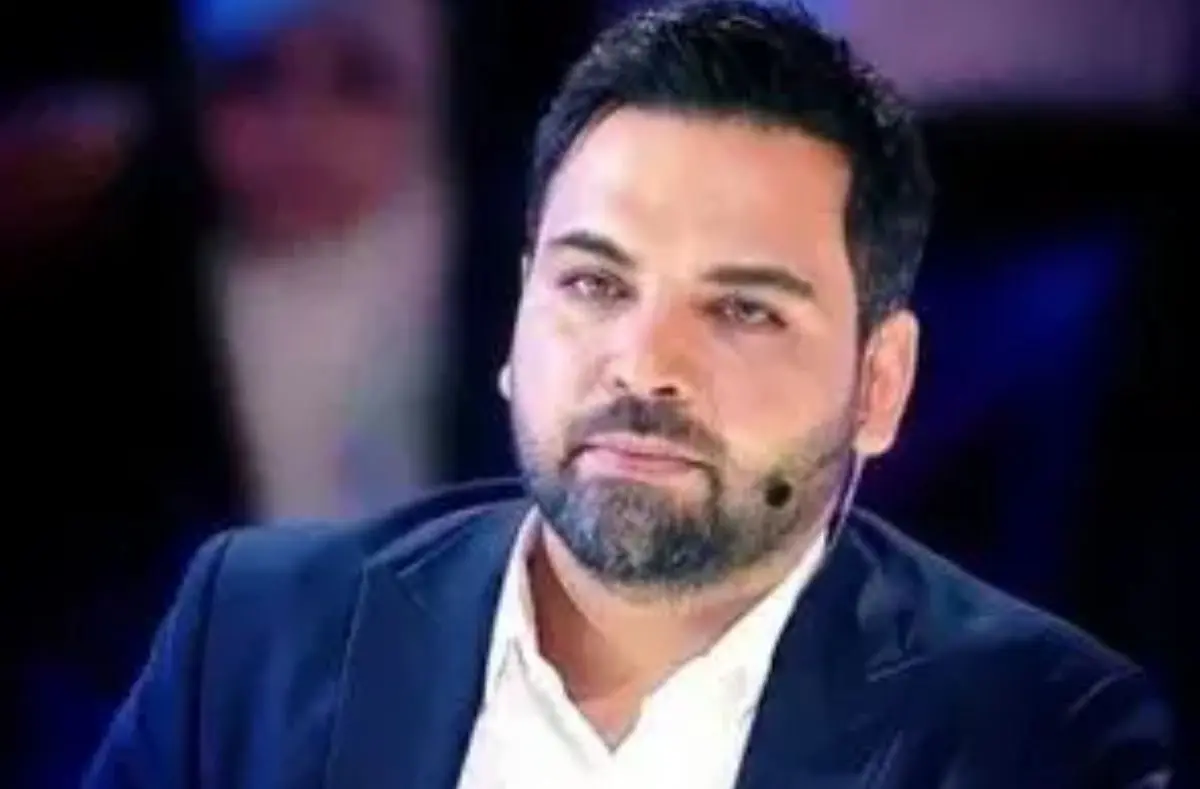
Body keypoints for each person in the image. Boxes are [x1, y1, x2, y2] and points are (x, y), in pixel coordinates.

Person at [83, 1, 1175, 787]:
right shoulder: (255, 634)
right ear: (516, 317)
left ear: (879, 384)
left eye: (742, 308)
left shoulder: (1037, 733)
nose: (644, 363)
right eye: (596, 285)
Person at [191, 0, 456, 521]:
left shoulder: (512, 293)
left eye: (357, 81)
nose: (301, 130)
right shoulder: (121, 312)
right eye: (256, 79)